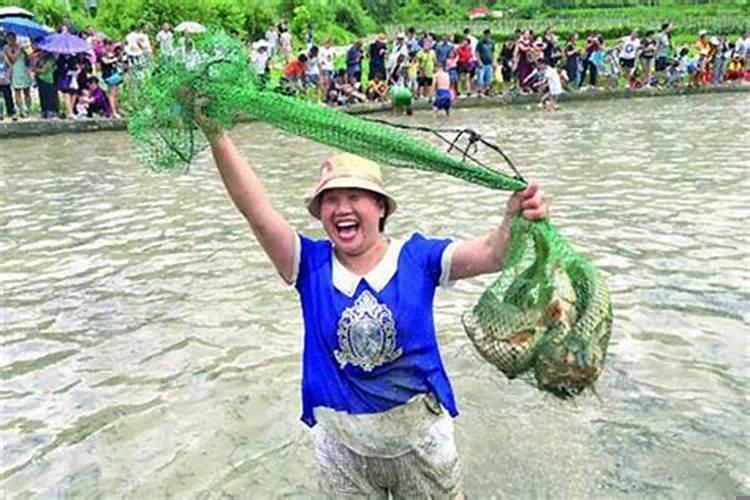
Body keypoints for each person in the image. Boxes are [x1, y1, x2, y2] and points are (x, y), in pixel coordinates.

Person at [191, 99, 549, 497]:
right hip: (342, 448)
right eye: (331, 199)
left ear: (380, 207)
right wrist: (216, 135)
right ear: (320, 211)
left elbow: (492, 253)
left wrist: (514, 217)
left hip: (420, 443)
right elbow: (256, 209)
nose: (342, 208)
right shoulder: (308, 266)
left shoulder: (418, 258)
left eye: (355, 196)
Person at [3, 33, 32, 118]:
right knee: (17, 90)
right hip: (15, 70)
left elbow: (29, 56)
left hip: (24, 69)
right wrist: (18, 50)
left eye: (13, 38)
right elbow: (13, 58)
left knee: (27, 90)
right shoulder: (6, 48)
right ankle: (21, 110)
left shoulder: (21, 46)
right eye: (9, 39)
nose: (11, 40)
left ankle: (28, 108)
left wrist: (26, 50)